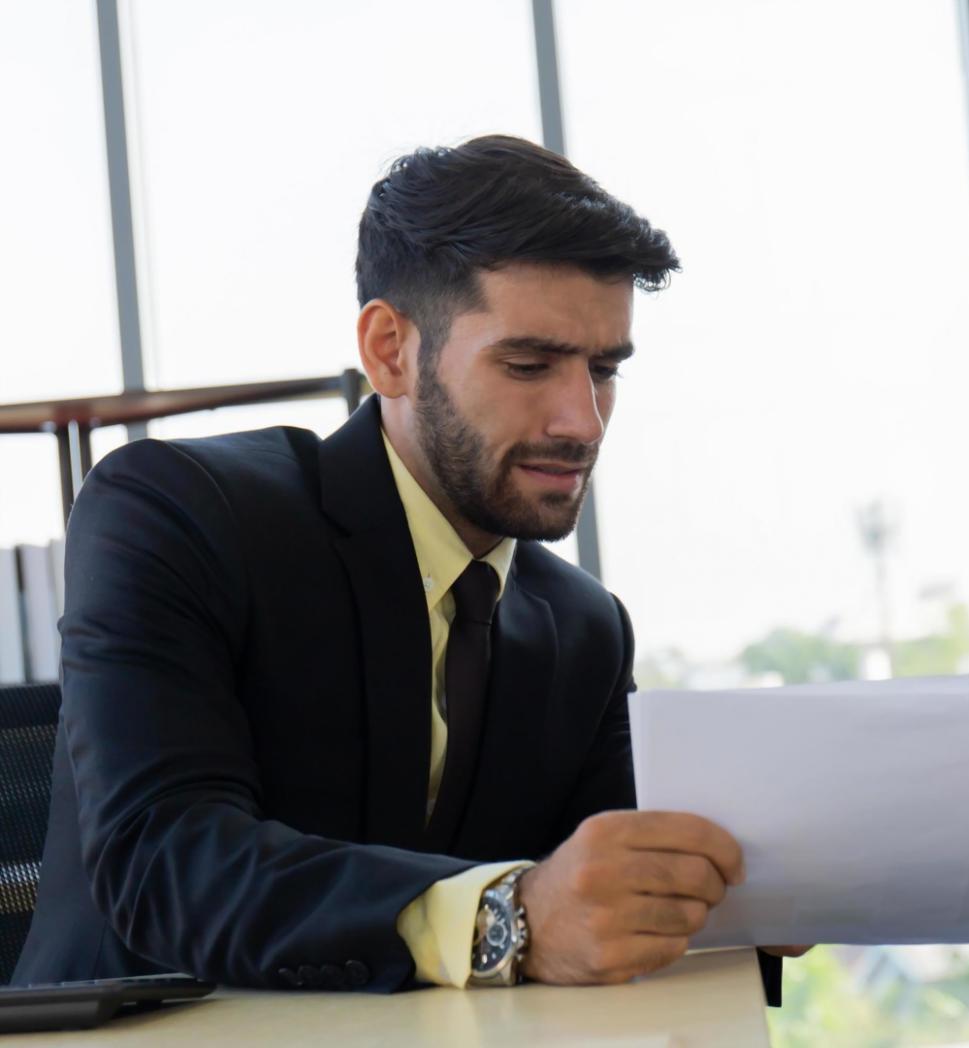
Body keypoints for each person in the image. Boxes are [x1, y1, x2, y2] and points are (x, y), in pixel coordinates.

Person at [14, 135, 799, 995]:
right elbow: (166, 863)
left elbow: (605, 896)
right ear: (390, 349)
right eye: (528, 365)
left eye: (603, 370)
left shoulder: (581, 629)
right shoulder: (181, 513)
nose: (582, 420)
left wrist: (734, 887)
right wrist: (513, 914)